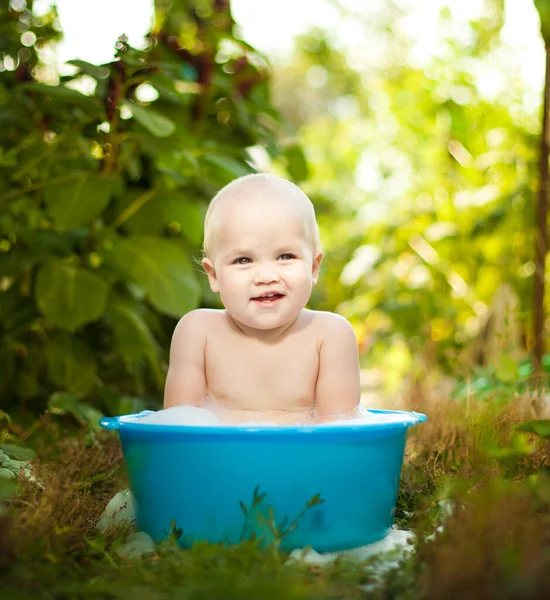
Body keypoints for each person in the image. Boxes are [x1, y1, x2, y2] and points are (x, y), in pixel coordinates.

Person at [163, 173, 361, 424]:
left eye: (285, 256)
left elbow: (339, 433)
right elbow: (176, 429)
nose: (267, 276)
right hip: (217, 461)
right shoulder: (198, 333)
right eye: (243, 260)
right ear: (213, 275)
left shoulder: (330, 335)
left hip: (304, 460)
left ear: (313, 267)